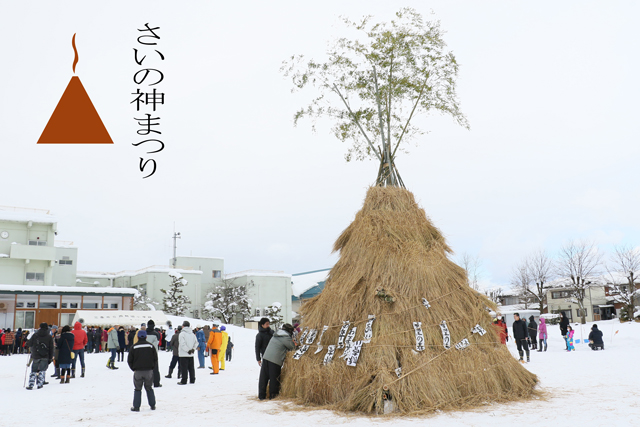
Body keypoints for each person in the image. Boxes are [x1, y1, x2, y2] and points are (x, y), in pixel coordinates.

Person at [258, 323, 295, 400]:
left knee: (264, 377)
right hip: (275, 360)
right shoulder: (285, 337)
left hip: (266, 357)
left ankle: (261, 396)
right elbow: (293, 347)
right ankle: (273, 396)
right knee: (274, 378)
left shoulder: (276, 334)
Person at [127, 330, 157, 412]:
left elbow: (129, 360)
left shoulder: (134, 347)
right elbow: (155, 358)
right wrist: (152, 367)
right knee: (149, 388)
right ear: (146, 337)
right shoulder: (151, 346)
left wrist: (134, 369)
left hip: (138, 371)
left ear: (137, 337)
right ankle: (152, 405)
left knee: (137, 389)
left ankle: (136, 407)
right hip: (149, 371)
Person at [26, 322, 54, 390]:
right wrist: (50, 358)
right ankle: (40, 384)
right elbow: (51, 348)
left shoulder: (35, 335)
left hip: (36, 355)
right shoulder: (49, 336)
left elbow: (29, 344)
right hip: (45, 355)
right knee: (42, 370)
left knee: (34, 370)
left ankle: (31, 384)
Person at [178, 321, 198, 385]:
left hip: (183, 354)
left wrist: (187, 350)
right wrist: (193, 349)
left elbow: (182, 343)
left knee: (184, 368)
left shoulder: (182, 334)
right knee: (191, 368)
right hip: (191, 354)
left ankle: (184, 380)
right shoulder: (192, 334)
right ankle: (192, 379)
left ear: (183, 326)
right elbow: (196, 343)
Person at [145, 320, 162, 387]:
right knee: (155, 369)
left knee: (146, 368)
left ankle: (147, 382)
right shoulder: (156, 334)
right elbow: (156, 344)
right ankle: (156, 382)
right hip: (153, 353)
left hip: (145, 353)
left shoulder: (144, 332)